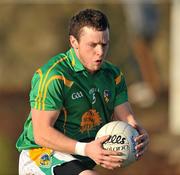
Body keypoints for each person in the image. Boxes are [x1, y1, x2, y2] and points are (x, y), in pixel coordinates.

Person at [16, 8, 149, 175]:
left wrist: (137, 134)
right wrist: (86, 149)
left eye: (104, 44)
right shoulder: (54, 77)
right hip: (41, 155)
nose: (100, 52)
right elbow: (41, 134)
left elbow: (127, 118)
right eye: (92, 45)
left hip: (79, 159)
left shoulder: (113, 75)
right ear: (74, 42)